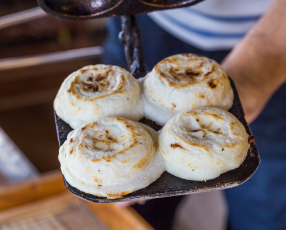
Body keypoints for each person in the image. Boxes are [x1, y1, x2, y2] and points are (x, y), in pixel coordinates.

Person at [103, 0, 286, 229]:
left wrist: (264, 59)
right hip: (145, 17)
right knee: (132, 205)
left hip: (271, 33)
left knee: (262, 215)